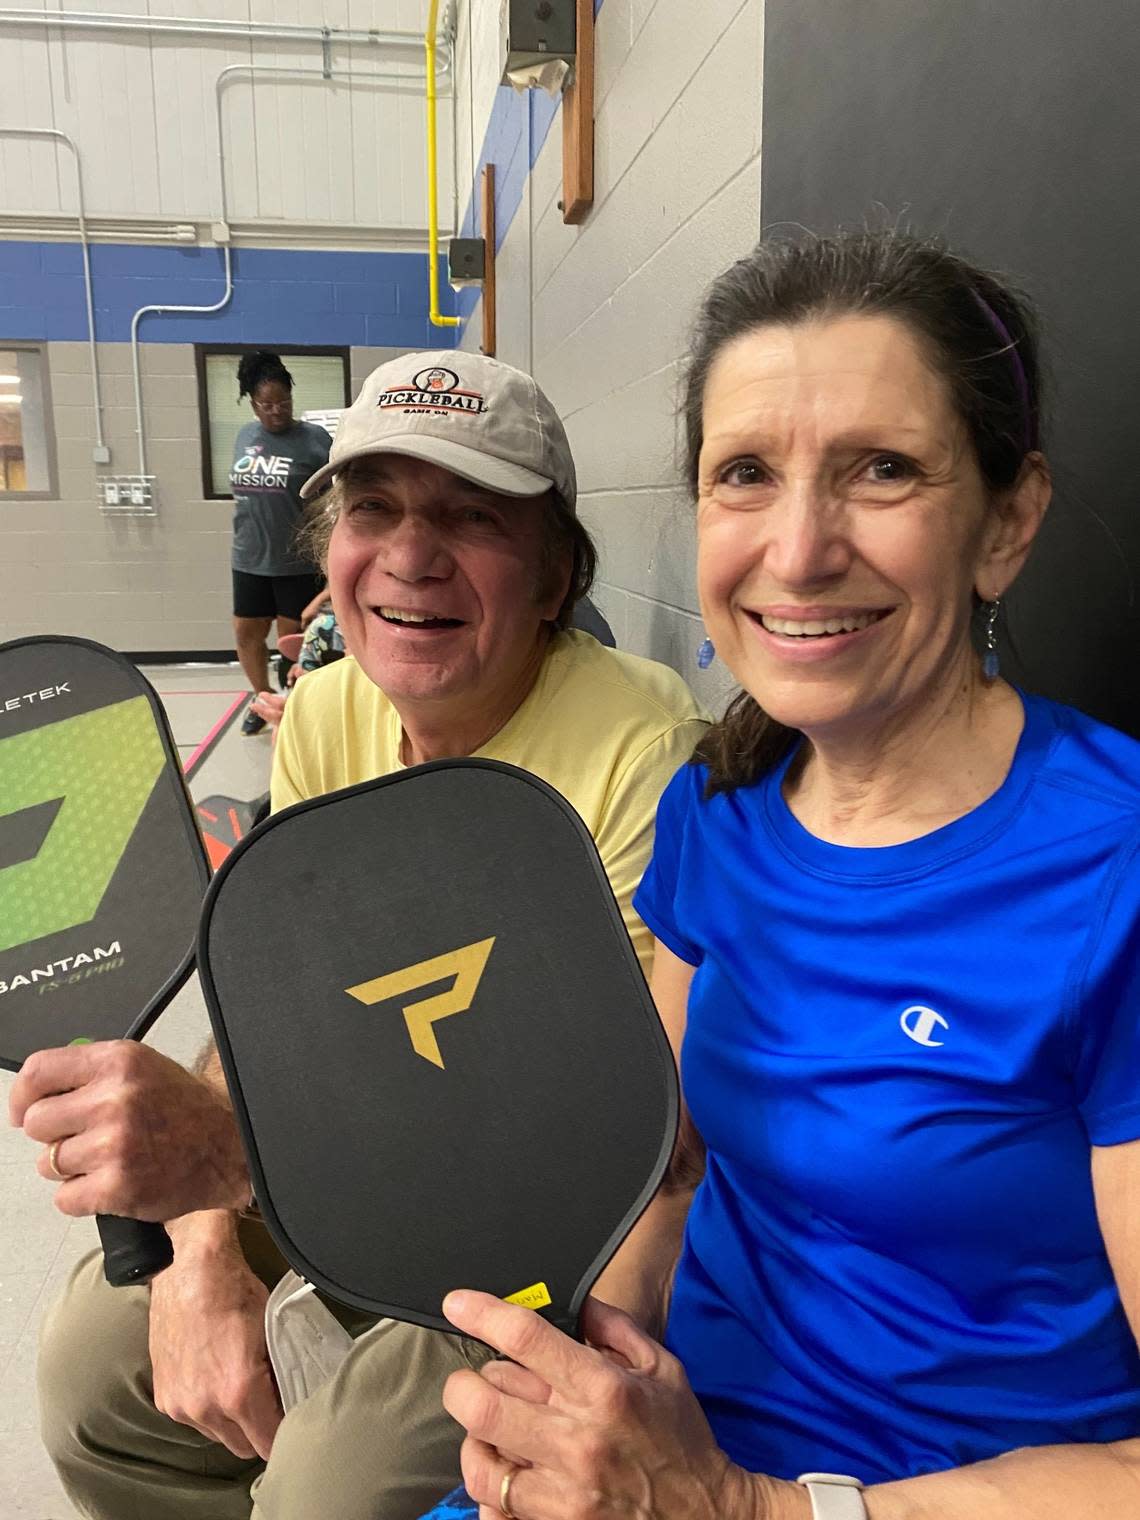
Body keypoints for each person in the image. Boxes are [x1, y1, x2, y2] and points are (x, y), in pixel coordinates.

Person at [431, 232, 1140, 1520]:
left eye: (883, 470)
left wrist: (755, 1507)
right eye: (746, 474)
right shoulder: (719, 805)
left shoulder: (1116, 871)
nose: (801, 550)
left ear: (1009, 519)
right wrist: (593, 1370)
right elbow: (673, 1166)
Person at [13, 351, 708, 1520]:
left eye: (469, 516)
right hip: (351, 1163)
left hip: (546, 1231)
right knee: (92, 1371)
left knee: (326, 1488)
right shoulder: (331, 709)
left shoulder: (643, 749)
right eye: (372, 506)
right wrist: (201, 1248)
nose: (408, 554)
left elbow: (621, 1130)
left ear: (552, 577)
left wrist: (236, 1157)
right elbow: (277, 1008)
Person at [230, 350, 332, 735]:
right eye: (267, 404)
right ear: (252, 403)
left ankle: (292, 708)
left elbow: (335, 499)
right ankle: (262, 699)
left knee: (291, 643)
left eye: (283, 402)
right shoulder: (244, 436)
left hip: (295, 563)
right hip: (248, 558)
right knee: (246, 635)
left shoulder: (313, 441)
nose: (276, 411)